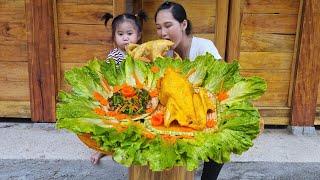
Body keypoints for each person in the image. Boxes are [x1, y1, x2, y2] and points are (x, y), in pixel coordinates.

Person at [154, 1, 223, 180]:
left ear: (183, 24)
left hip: (207, 114)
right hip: (179, 117)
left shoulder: (204, 47)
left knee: (221, 140)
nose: (163, 33)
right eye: (159, 27)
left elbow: (222, 81)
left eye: (168, 25)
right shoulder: (165, 54)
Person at [90, 11, 147, 165]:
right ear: (114, 37)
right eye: (120, 34)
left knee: (139, 126)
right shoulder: (114, 55)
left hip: (138, 98)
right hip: (118, 97)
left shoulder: (141, 53)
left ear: (139, 35)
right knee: (112, 124)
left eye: (129, 33)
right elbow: (108, 77)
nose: (125, 38)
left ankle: (135, 146)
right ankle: (102, 149)